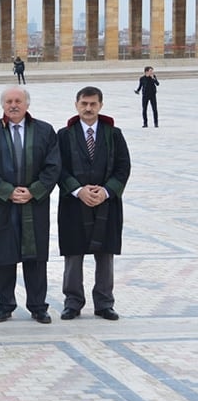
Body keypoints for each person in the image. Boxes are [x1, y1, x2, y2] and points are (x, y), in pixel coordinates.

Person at [0, 86, 60, 324]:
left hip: (34, 203)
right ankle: (5, 305)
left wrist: (33, 191)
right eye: (9, 101)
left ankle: (38, 305)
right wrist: (7, 191)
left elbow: (53, 166)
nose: (14, 105)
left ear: (27, 104)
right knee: (4, 255)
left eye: (18, 101)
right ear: (3, 105)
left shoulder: (44, 130)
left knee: (35, 256)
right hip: (1, 203)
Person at [57, 86, 131, 321]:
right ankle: (73, 301)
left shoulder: (113, 134)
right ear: (76, 104)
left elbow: (123, 167)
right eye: (84, 104)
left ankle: (104, 302)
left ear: (100, 105)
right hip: (74, 202)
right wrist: (78, 191)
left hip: (106, 203)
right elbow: (58, 168)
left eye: (93, 104)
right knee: (73, 253)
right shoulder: (64, 135)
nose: (88, 109)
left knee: (105, 254)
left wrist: (107, 191)